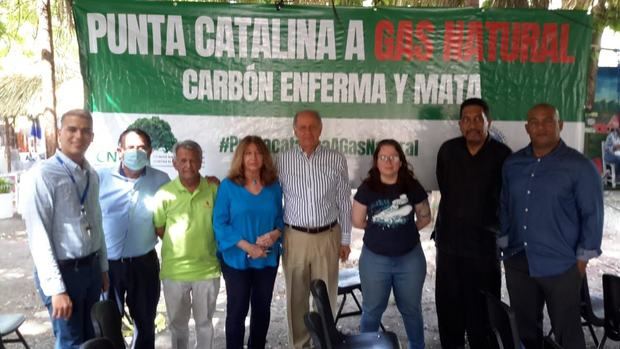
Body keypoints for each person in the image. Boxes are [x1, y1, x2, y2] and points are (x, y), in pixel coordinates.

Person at [499, 103, 604, 349]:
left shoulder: (579, 166)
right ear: (527, 128)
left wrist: (582, 260)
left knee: (567, 334)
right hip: (518, 261)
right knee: (525, 332)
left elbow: (592, 215)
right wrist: (503, 245)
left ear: (561, 125)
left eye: (548, 121)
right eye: (534, 122)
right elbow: (505, 204)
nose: (541, 127)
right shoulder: (513, 164)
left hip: (561, 265)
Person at [23, 109, 109, 349]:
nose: (78, 136)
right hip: (64, 274)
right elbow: (38, 236)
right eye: (72, 129)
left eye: (85, 131)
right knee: (70, 341)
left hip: (90, 270)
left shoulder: (92, 174)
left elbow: (97, 222)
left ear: (92, 137)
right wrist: (56, 290)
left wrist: (102, 268)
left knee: (92, 335)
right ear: (60, 133)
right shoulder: (42, 175)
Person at [433, 98, 512, 348]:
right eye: (466, 119)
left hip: (484, 249)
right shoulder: (448, 151)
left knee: (483, 314)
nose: (472, 125)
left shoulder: (502, 155)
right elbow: (444, 185)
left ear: (489, 122)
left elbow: (507, 199)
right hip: (449, 246)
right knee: (449, 309)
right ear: (459, 124)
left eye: (478, 119)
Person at [276, 110, 352, 349]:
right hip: (294, 236)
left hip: (328, 237)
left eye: (312, 127)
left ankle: (325, 343)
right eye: (302, 127)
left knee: (326, 297)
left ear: (320, 129)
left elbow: (344, 201)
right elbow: (271, 198)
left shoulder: (336, 158)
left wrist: (346, 239)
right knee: (296, 297)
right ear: (294, 130)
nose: (307, 132)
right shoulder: (282, 160)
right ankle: (299, 345)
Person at [351, 139, 431, 349]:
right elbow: (357, 221)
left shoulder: (412, 186)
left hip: (410, 259)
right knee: (372, 310)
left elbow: (425, 217)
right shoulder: (367, 188)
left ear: (401, 161)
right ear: (376, 161)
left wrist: (404, 231)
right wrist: (381, 229)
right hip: (374, 261)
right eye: (383, 157)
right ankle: (366, 346)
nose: (388, 161)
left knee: (412, 309)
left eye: (394, 157)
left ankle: (417, 346)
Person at [98, 128, 170, 349]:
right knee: (108, 323)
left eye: (141, 147)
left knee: (145, 322)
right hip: (109, 266)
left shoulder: (161, 179)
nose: (136, 152)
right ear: (120, 151)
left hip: (144, 263)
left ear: (150, 151)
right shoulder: (100, 178)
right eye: (130, 147)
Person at [213, 135, 284, 349]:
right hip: (237, 260)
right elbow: (219, 224)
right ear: (241, 157)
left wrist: (275, 234)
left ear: (264, 157)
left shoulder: (274, 186)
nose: (253, 157)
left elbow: (281, 219)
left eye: (258, 152)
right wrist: (248, 247)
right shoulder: (228, 186)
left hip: (267, 259)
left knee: (262, 311)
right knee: (237, 311)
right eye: (248, 153)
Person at [153, 140, 221, 349]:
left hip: (207, 270)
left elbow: (222, 222)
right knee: (178, 326)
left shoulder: (213, 188)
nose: (188, 165)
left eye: (193, 160)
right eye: (183, 160)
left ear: (201, 162)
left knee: (204, 324)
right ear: (174, 163)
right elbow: (160, 228)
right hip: (175, 272)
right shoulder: (164, 194)